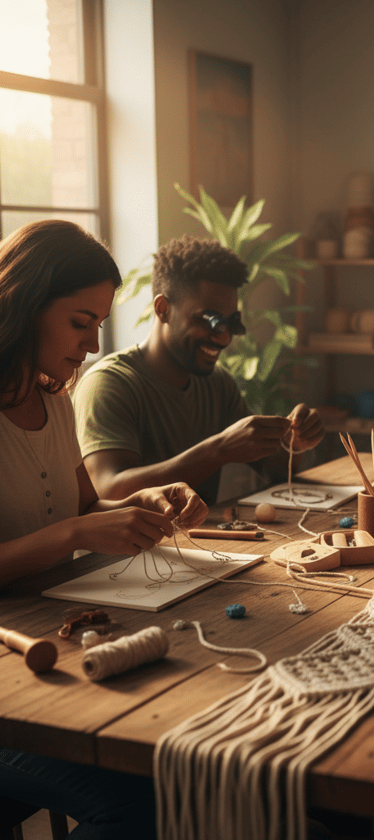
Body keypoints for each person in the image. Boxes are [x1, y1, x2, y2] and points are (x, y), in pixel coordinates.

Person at [0, 220, 208, 839]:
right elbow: (71, 531)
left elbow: (82, 508)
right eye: (78, 322)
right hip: (12, 684)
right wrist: (72, 537)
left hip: (48, 644)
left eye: (97, 325)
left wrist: (142, 501)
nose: (91, 346)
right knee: (142, 803)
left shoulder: (54, 400)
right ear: (26, 304)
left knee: (180, 760)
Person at [73, 235, 325, 506]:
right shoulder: (109, 385)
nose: (223, 338)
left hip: (201, 543)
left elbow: (272, 469)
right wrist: (219, 449)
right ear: (163, 309)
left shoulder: (217, 384)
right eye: (211, 321)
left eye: (230, 323)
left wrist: (294, 444)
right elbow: (108, 491)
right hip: (134, 549)